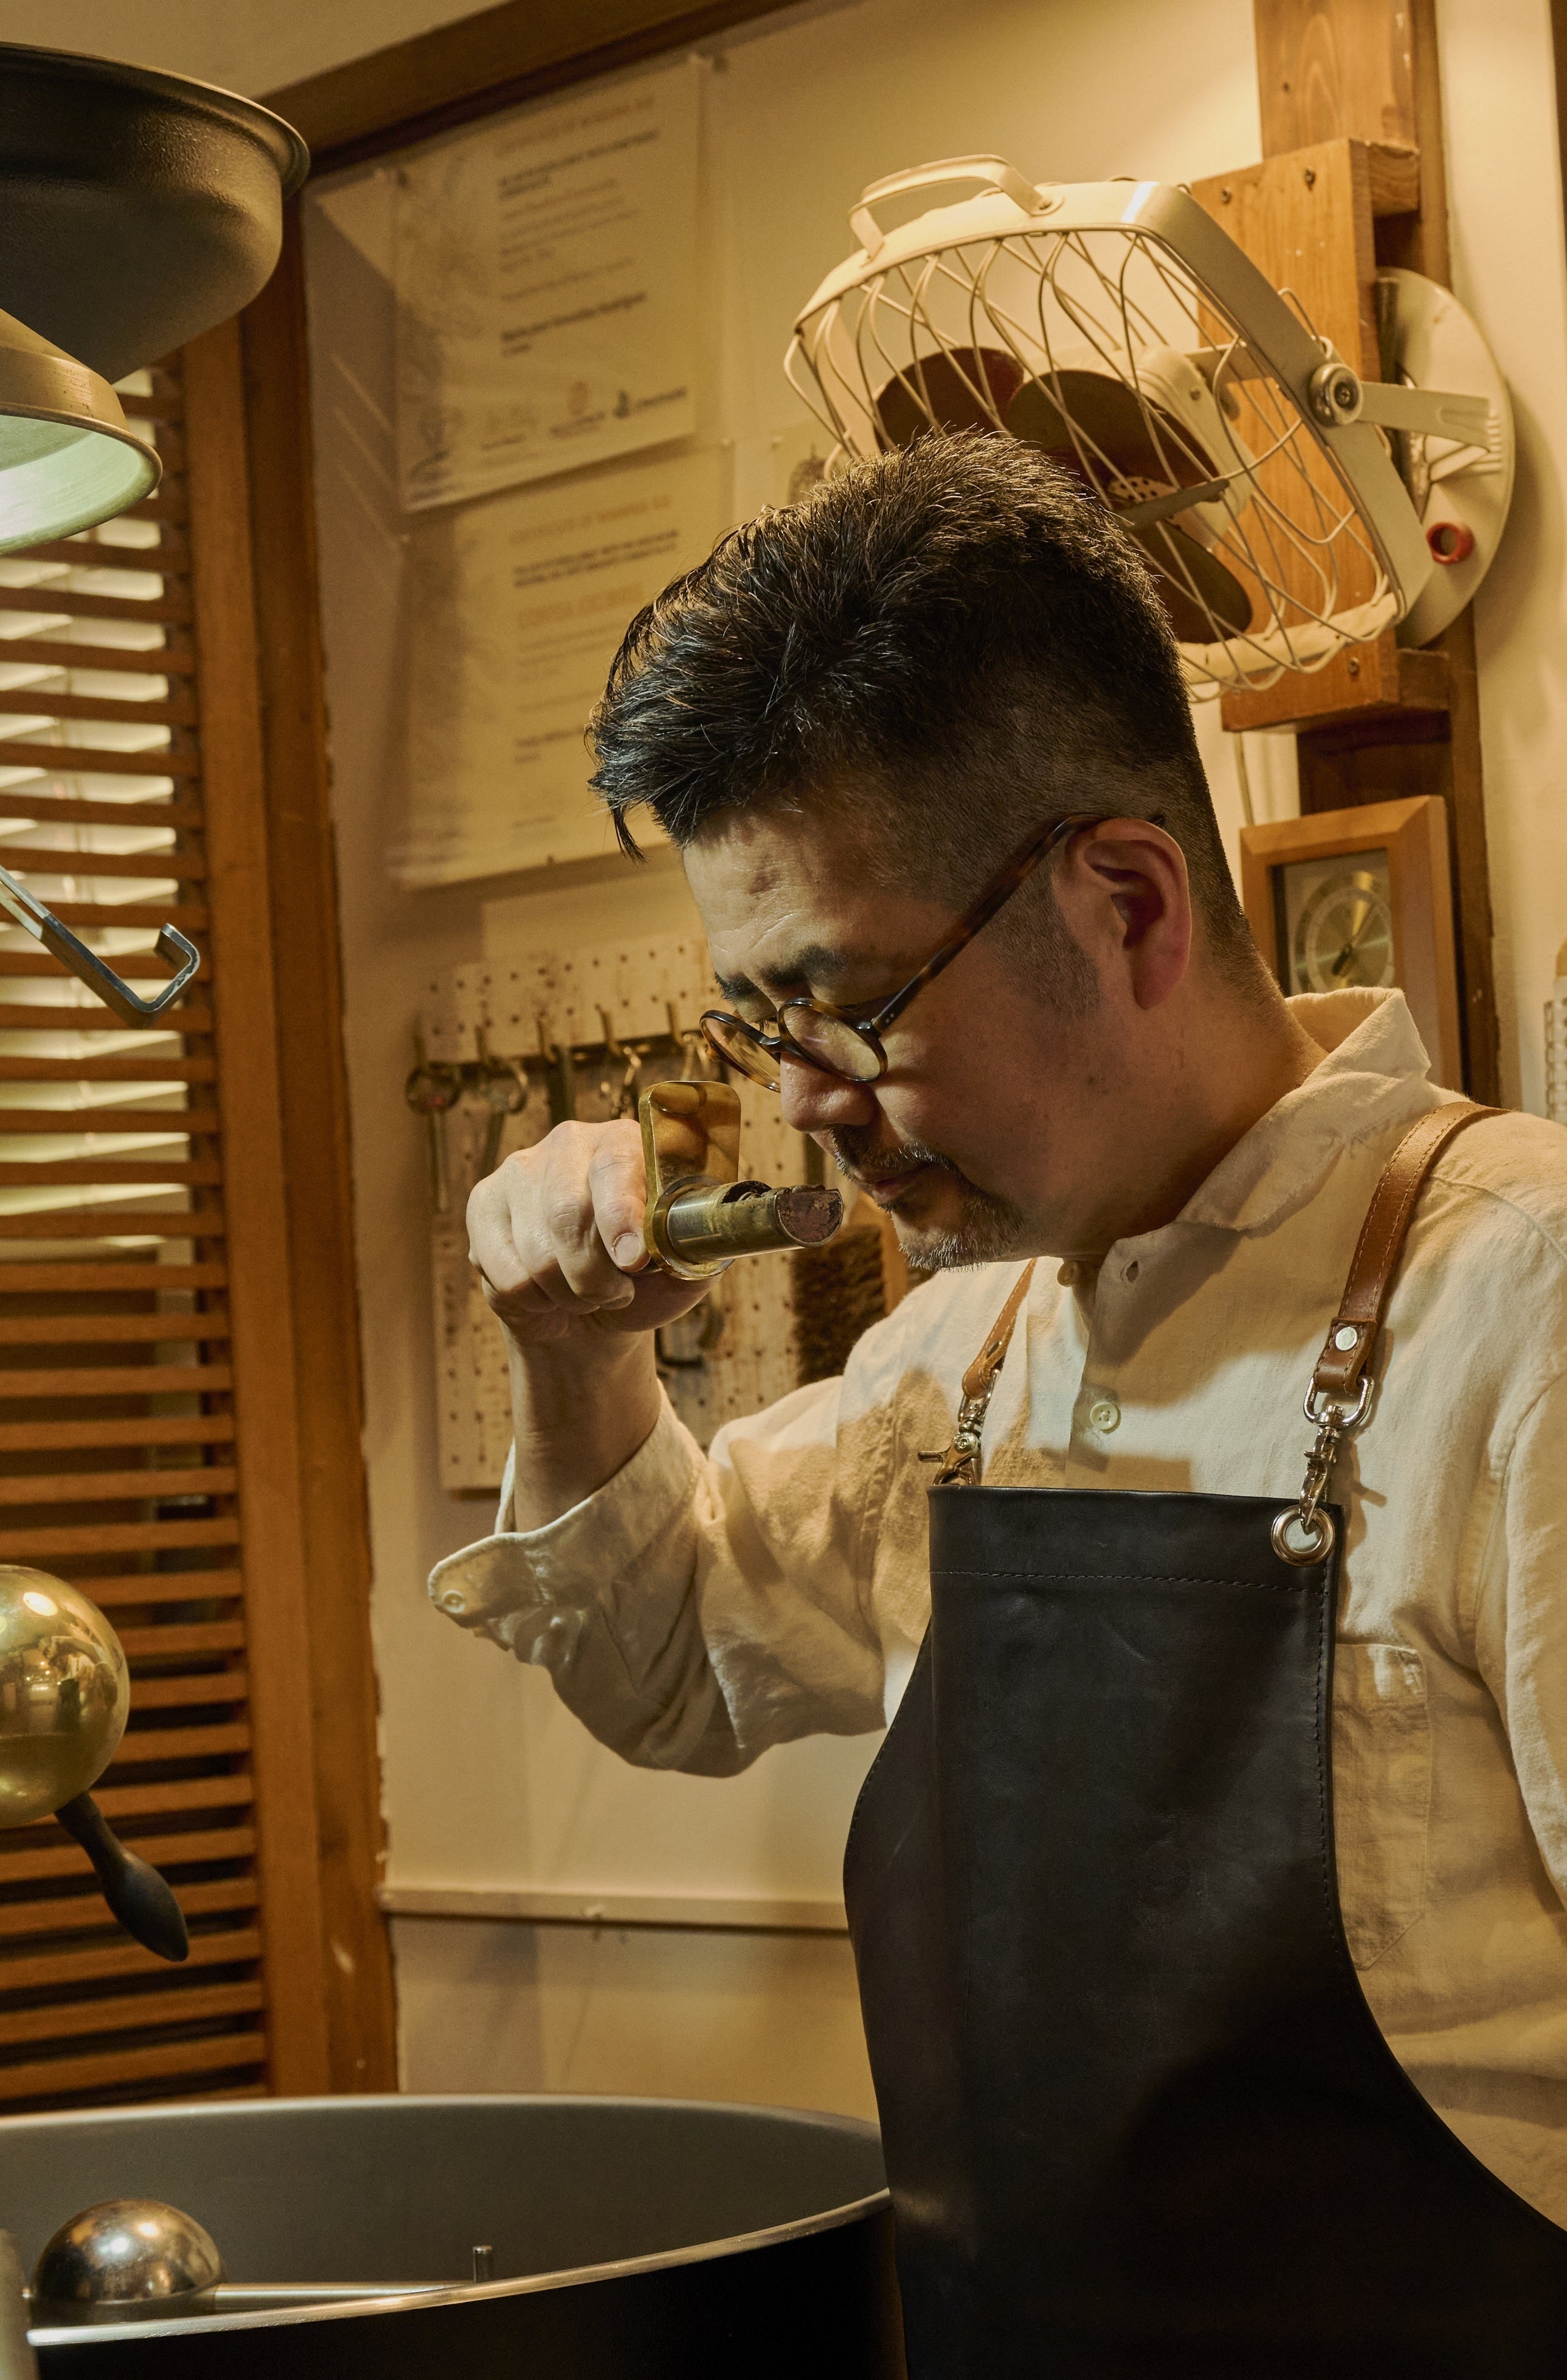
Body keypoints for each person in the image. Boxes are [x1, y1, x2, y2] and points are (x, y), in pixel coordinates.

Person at [431, 433, 1567, 2375]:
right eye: (756, 1022)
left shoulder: (1519, 1300)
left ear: (1124, 903)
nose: (802, 1100)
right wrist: (571, 1346)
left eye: (843, 1005)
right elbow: (666, 1664)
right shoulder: (965, 1356)